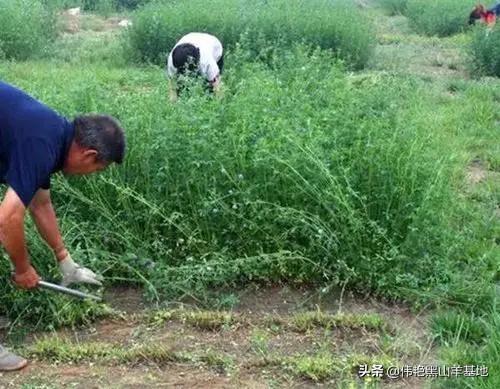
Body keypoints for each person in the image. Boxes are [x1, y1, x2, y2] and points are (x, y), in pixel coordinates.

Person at [0, 81, 126, 371]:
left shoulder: (51, 135)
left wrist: (65, 262)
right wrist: (22, 270)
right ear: (90, 155)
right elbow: (7, 219)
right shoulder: (42, 143)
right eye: (99, 169)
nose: (92, 174)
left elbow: (40, 203)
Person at [166, 32, 224, 101]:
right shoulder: (172, 61)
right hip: (190, 38)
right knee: (181, 88)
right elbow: (172, 87)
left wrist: (219, 105)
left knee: (209, 89)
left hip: (213, 44)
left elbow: (217, 87)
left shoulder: (207, 62)